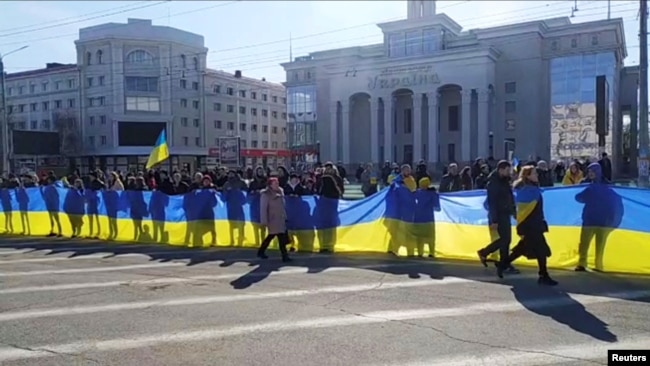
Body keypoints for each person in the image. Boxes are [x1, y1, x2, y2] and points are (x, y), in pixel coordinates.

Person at [497, 166, 557, 285]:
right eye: (534, 173)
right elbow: (524, 211)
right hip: (530, 226)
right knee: (541, 250)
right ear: (528, 176)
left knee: (522, 249)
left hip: (533, 224)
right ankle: (543, 275)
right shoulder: (527, 190)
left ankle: (503, 264)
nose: (537, 175)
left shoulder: (531, 189)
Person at [477, 160, 519, 274]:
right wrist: (494, 219)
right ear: (500, 169)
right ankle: (486, 253)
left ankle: (503, 262)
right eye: (507, 170)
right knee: (505, 239)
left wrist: (513, 211)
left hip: (505, 213)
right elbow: (492, 203)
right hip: (499, 215)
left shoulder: (504, 181)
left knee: (506, 240)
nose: (509, 172)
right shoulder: (493, 183)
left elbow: (509, 198)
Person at [257, 177, 291, 262]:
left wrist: (285, 216)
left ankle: (261, 251)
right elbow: (263, 208)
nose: (277, 185)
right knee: (276, 236)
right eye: (275, 183)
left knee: (275, 236)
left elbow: (283, 206)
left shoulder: (280, 191)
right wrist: (264, 221)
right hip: (272, 219)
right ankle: (284, 256)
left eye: (277, 183)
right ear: (270, 185)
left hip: (280, 218)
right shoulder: (266, 194)